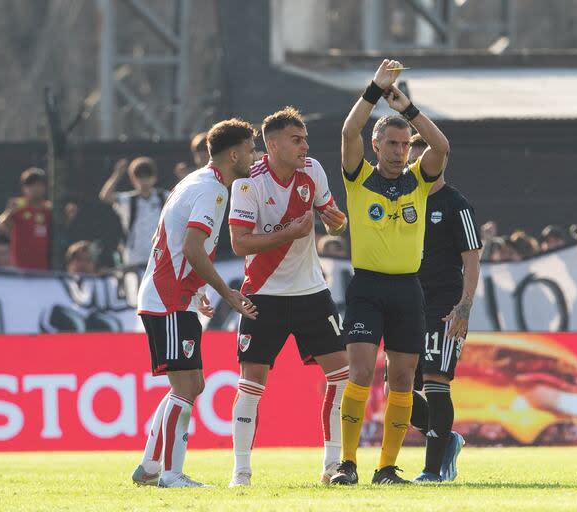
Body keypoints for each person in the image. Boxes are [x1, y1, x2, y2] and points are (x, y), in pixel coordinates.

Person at [331, 59, 450, 486]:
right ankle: (347, 463)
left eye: (405, 145)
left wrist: (410, 108)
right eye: (394, 144)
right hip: (367, 287)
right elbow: (348, 133)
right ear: (376, 146)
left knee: (401, 379)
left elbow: (442, 147)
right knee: (361, 373)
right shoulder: (358, 178)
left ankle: (386, 469)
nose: (401, 152)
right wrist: (374, 90)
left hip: (406, 290)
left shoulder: (419, 180)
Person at [227, 107, 350, 487]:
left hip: (312, 291)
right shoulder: (248, 182)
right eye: (297, 140)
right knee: (252, 383)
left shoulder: (312, 170)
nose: (305, 146)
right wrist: (290, 233)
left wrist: (335, 218)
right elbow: (238, 242)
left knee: (342, 376)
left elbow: (331, 213)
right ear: (274, 144)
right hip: (263, 294)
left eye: (306, 139)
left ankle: (333, 465)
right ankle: (242, 471)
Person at [132, 119, 258, 488]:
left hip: (176, 293)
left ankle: (151, 466)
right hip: (168, 297)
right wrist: (224, 291)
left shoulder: (198, 182)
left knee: (193, 384)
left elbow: (182, 247)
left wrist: (199, 287)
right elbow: (189, 246)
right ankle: (170, 474)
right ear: (233, 154)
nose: (254, 156)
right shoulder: (212, 191)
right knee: (185, 386)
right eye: (250, 149)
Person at [399, 133, 482, 483]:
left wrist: (464, 307)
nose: (421, 168)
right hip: (405, 303)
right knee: (398, 389)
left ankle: (433, 471)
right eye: (414, 162)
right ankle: (447, 438)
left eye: (426, 161)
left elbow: (473, 259)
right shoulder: (403, 200)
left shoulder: (456, 204)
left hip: (444, 306)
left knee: (436, 380)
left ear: (440, 163)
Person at [99, 157, 170, 267]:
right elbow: (105, 196)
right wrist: (117, 174)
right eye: (140, 177)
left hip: (158, 256)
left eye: (148, 176)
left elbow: (184, 199)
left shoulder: (164, 197)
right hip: (134, 258)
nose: (144, 181)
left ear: (154, 178)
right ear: (133, 179)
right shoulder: (128, 200)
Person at [0, 167, 51, 270]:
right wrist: (9, 212)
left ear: (45, 187)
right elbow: (2, 226)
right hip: (21, 267)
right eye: (30, 185)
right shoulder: (18, 207)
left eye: (38, 185)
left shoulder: (50, 209)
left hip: (46, 268)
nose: (35, 189)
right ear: (24, 188)